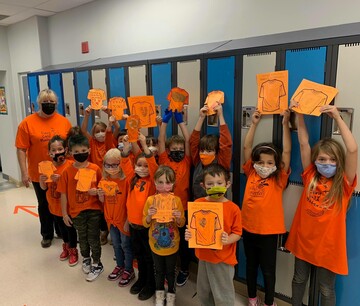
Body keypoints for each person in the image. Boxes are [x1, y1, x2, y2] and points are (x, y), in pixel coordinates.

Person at [285, 104, 357, 306]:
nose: (327, 163)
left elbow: (352, 149)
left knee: (326, 289)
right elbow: (304, 143)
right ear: (315, 161)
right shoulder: (311, 177)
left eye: (332, 160)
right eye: (322, 159)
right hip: (304, 241)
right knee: (299, 280)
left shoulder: (343, 185)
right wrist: (299, 115)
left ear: (339, 162)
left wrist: (337, 117)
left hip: (328, 248)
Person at [242, 109, 291, 306]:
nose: (264, 165)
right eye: (261, 162)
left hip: (270, 233)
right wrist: (253, 123)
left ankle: (270, 302)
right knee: (251, 267)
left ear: (276, 164)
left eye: (269, 162)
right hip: (248, 229)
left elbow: (286, 152)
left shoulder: (279, 178)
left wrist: (285, 124)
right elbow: (247, 147)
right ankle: (252, 298)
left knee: (269, 270)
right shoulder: (251, 173)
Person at [15, 88, 72, 248]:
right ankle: (47, 234)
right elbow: (21, 148)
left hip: (61, 170)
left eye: (51, 103)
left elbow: (70, 145)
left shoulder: (63, 121)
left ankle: (62, 231)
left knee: (61, 199)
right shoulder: (27, 123)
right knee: (44, 203)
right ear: (38, 104)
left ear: (56, 103)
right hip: (39, 172)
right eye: (45, 103)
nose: (48, 105)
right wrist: (24, 172)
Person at [185, 163, 242, 306]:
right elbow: (193, 228)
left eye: (219, 183)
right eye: (210, 184)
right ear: (203, 186)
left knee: (223, 294)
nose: (215, 186)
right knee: (204, 291)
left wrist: (228, 239)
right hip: (204, 256)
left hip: (223, 259)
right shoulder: (198, 203)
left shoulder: (233, 209)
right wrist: (189, 234)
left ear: (227, 184)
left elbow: (237, 233)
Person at [57, 134, 104, 282]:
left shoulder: (95, 168)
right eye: (76, 152)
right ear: (70, 153)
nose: (80, 154)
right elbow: (63, 193)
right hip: (76, 211)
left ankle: (97, 263)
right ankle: (86, 258)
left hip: (94, 209)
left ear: (89, 150)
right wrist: (64, 214)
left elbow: (103, 189)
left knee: (93, 237)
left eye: (83, 150)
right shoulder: (67, 171)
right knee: (82, 238)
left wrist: (96, 191)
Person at [121, 132, 158, 301]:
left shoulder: (153, 182)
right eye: (139, 165)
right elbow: (124, 164)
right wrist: (126, 149)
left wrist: (143, 145)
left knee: (149, 258)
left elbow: (153, 166)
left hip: (147, 227)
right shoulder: (132, 180)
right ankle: (141, 279)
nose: (142, 168)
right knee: (139, 256)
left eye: (145, 166)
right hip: (134, 226)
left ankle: (150, 284)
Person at [158, 109, 192, 287]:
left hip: (183, 208)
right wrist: (165, 121)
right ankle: (168, 270)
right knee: (167, 239)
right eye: (174, 149)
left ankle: (184, 269)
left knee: (185, 244)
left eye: (180, 149)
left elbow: (188, 140)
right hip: (165, 208)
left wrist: (181, 122)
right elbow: (161, 140)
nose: (178, 151)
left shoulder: (186, 161)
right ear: (169, 151)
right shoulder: (165, 160)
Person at [143, 165, 185, 306]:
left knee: (171, 272)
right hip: (155, 245)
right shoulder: (150, 201)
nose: (164, 186)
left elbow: (181, 223)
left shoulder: (176, 201)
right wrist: (149, 215)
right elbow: (145, 223)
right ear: (154, 182)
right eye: (160, 182)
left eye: (168, 182)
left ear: (173, 183)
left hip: (173, 245)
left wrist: (178, 217)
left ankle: (171, 295)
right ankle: (159, 294)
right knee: (159, 271)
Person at [98, 148, 135, 287]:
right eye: (108, 165)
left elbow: (130, 202)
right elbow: (102, 201)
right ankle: (120, 265)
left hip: (123, 220)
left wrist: (127, 220)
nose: (112, 168)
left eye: (115, 165)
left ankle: (129, 269)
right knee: (116, 244)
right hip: (110, 219)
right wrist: (100, 195)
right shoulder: (104, 179)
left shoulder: (126, 181)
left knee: (126, 245)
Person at [39, 135, 78, 265]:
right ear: (49, 152)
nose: (57, 153)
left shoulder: (71, 165)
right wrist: (42, 181)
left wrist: (61, 179)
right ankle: (66, 246)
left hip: (67, 207)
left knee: (70, 229)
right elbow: (44, 187)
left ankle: (73, 249)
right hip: (54, 206)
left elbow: (76, 185)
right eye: (53, 150)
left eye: (60, 149)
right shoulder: (47, 166)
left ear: (66, 150)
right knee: (61, 229)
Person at [81, 106, 117, 245]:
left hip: (110, 179)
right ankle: (104, 231)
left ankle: (113, 231)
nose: (101, 134)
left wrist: (109, 114)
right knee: (99, 207)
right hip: (96, 179)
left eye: (103, 130)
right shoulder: (92, 142)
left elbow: (115, 128)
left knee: (111, 206)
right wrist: (87, 115)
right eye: (97, 132)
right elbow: (83, 130)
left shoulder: (110, 140)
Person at [190, 103, 232, 200]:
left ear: (216, 153)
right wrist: (201, 117)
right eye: (202, 150)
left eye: (209, 151)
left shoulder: (222, 163)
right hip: (199, 205)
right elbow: (193, 142)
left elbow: (226, 143)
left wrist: (220, 115)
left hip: (219, 205)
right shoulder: (198, 162)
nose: (204, 154)